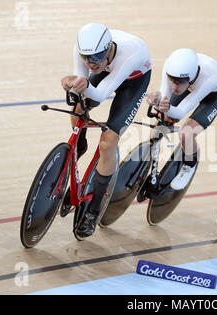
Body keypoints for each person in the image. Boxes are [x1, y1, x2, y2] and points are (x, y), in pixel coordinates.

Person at [60, 22, 152, 238]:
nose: (91, 63)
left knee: (107, 142)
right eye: (87, 58)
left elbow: (100, 94)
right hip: (108, 74)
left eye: (98, 56)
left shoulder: (130, 54)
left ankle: (94, 209)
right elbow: (81, 81)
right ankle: (79, 147)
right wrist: (73, 82)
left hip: (133, 82)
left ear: (109, 48)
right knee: (77, 110)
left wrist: (84, 83)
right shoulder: (86, 52)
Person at [146, 48, 217, 190]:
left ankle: (189, 165)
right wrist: (156, 99)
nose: (174, 86)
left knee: (186, 133)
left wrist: (166, 107)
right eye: (171, 80)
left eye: (178, 82)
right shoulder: (171, 67)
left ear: (190, 78)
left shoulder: (210, 75)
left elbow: (180, 112)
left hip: (215, 95)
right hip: (190, 88)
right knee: (157, 127)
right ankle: (145, 167)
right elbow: (164, 93)